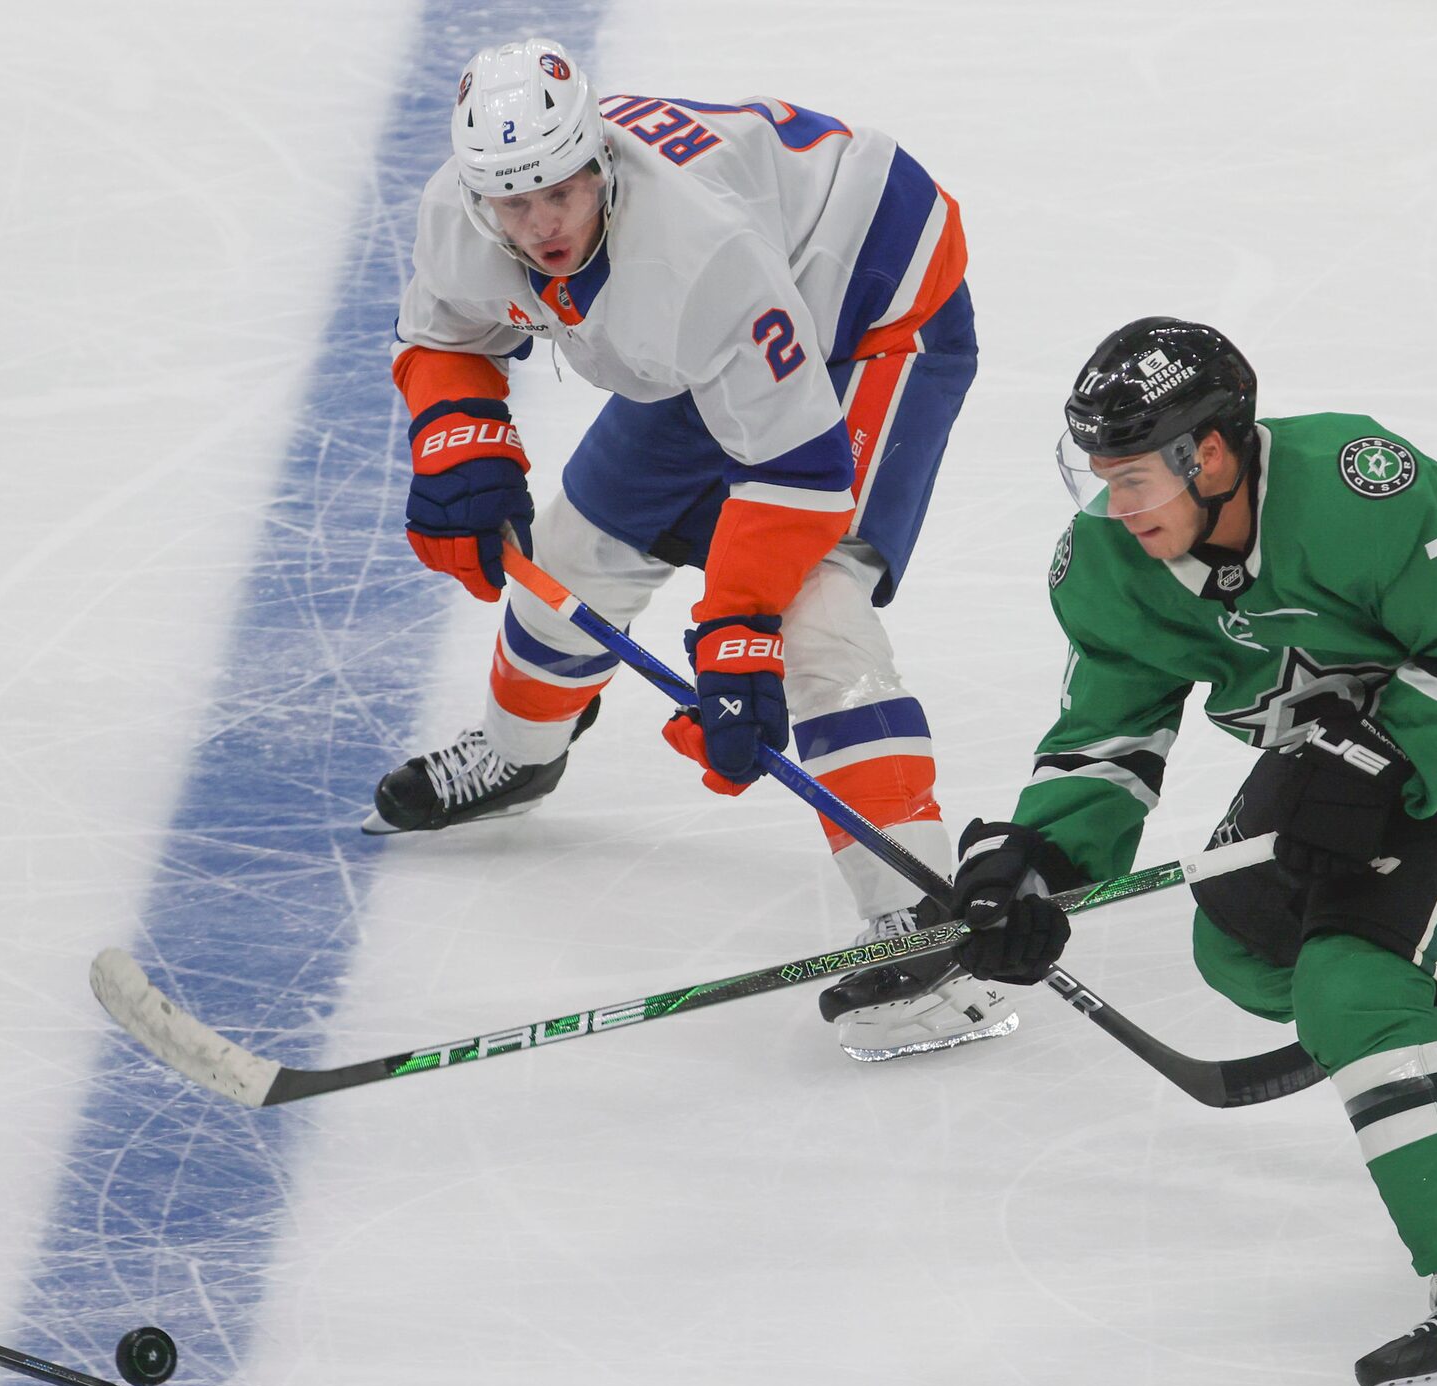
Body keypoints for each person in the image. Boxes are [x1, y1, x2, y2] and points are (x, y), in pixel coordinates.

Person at [949, 317, 1437, 1386]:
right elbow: (1107, 736)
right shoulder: (1105, 563)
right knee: (1238, 948)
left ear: (1213, 453)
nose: (1112, 503)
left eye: (1134, 475)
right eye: (1096, 476)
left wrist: (1384, 762)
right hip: (1324, 762)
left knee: (1352, 989)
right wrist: (1034, 860)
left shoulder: (1352, 484)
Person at [370, 38, 1010, 1062]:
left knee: (814, 617)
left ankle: (924, 923)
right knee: (571, 561)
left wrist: (737, 628)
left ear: (599, 164)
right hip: (722, 324)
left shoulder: (690, 248)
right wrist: (458, 435)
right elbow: (441, 337)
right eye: (513, 203)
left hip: (869, 297)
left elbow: (795, 466)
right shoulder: (461, 214)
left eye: (560, 191)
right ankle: (520, 757)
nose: (540, 227)